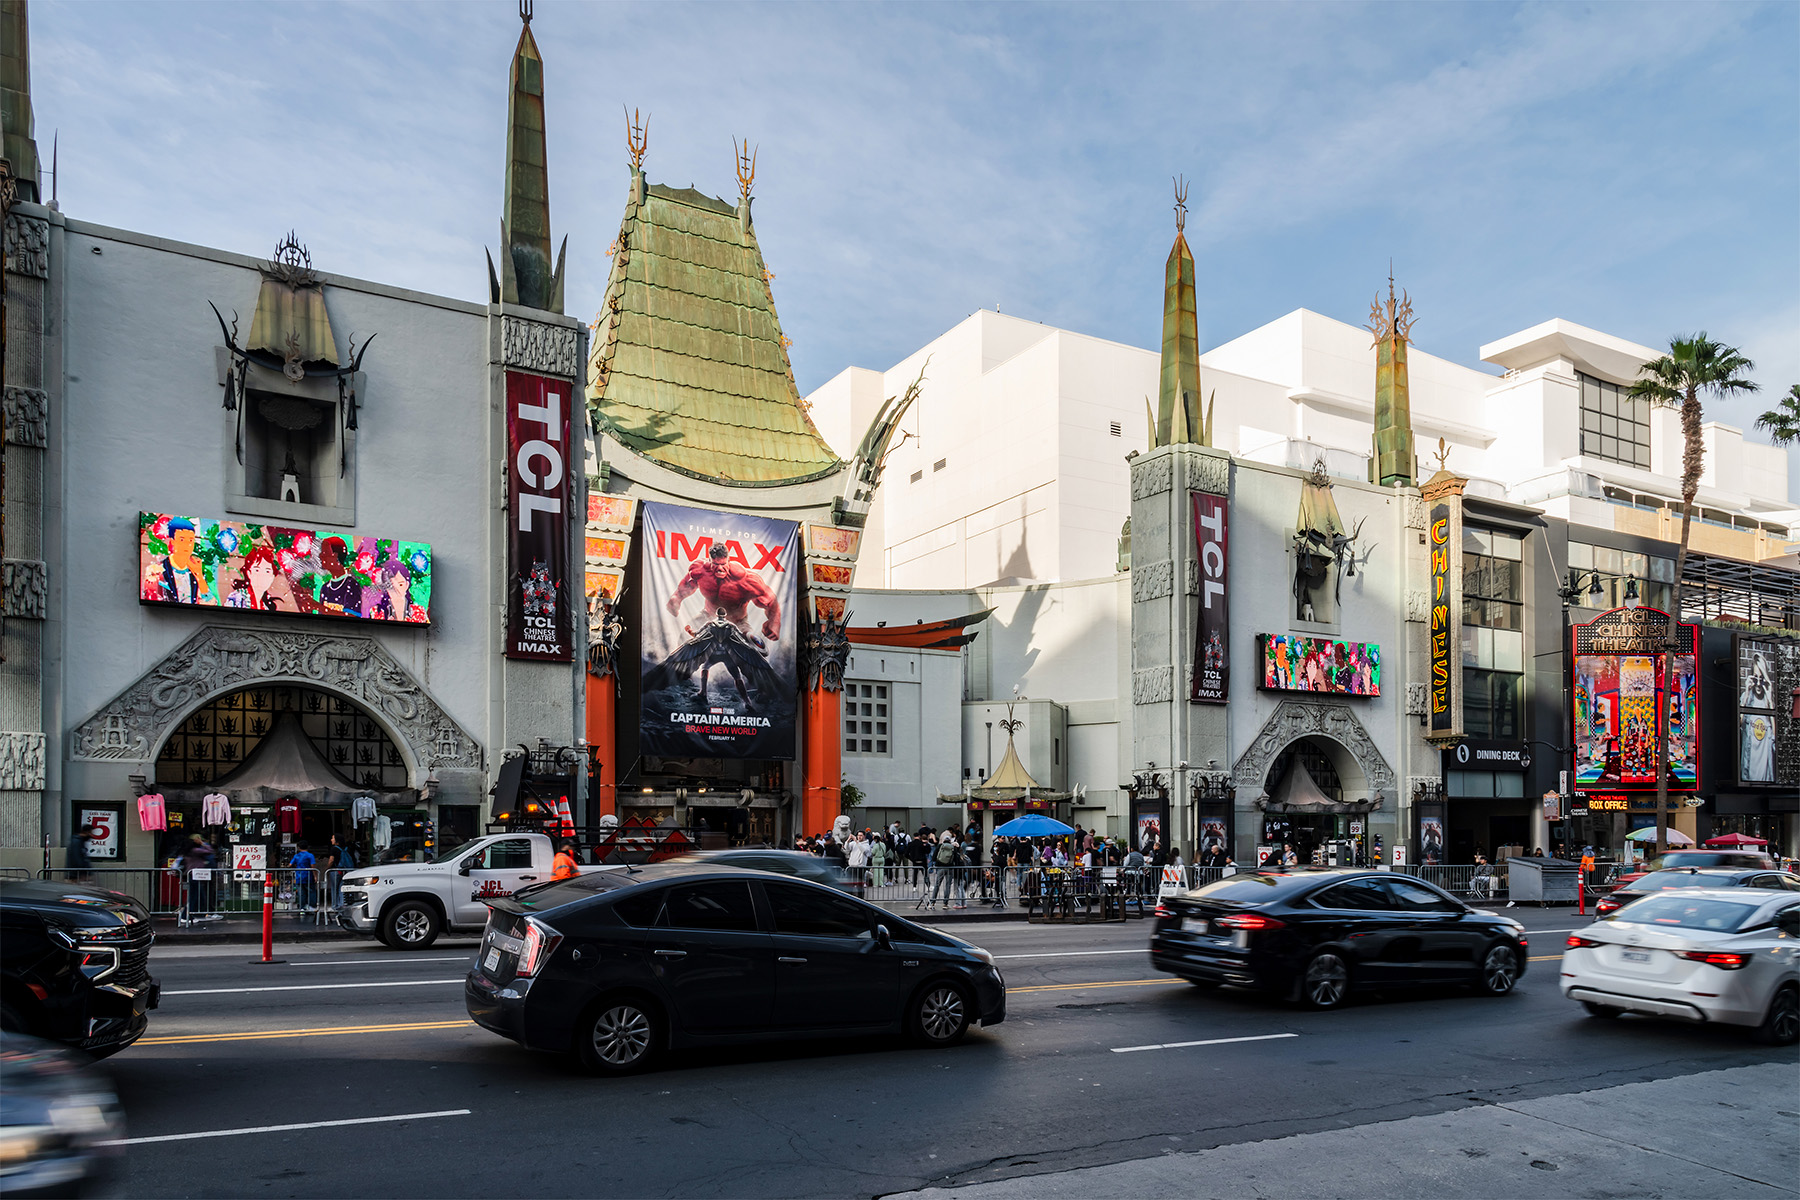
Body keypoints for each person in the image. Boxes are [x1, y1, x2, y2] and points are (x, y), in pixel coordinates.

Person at [183, 834, 219, 923]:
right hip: (194, 875)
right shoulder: (195, 851)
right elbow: (210, 851)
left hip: (195, 875)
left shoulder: (190, 851)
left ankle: (196, 914)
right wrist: (203, 843)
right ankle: (186, 916)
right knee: (194, 897)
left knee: (199, 896)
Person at [290, 841, 318, 912]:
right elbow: (313, 866)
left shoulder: (296, 856)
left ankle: (302, 908)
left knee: (301, 893)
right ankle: (312, 907)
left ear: (299, 848)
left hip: (299, 876)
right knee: (311, 892)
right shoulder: (310, 855)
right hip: (308, 876)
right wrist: (315, 876)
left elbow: (290, 865)